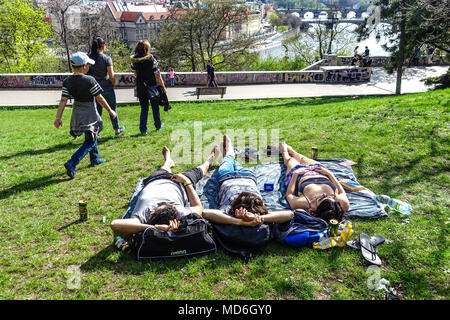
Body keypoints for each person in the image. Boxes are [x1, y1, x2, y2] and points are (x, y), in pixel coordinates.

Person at [110, 145, 220, 236]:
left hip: (156, 179)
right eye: (170, 204)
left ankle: (168, 160)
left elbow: (115, 224)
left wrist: (154, 228)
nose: (168, 203)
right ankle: (209, 160)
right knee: (200, 171)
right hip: (180, 183)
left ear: (152, 212)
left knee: (165, 167)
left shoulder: (144, 213)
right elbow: (198, 208)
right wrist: (186, 182)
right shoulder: (179, 212)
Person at [202, 135, 294, 226]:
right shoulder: (257, 209)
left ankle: (229, 152)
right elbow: (290, 214)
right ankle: (229, 152)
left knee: (228, 160)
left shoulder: (231, 209)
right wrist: (256, 218)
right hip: (241, 176)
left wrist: (238, 221)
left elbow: (205, 212)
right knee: (228, 160)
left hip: (232, 176)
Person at [54, 52, 117, 179]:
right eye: (88, 64)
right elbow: (99, 98)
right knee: (90, 140)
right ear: (83, 66)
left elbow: (63, 100)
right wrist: (110, 110)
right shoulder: (89, 80)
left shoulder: (67, 82)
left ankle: (95, 159)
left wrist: (58, 117)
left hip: (77, 111)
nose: (89, 66)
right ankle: (72, 162)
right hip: (89, 111)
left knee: (92, 135)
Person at [280, 141, 349, 223]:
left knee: (290, 160)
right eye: (329, 197)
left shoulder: (304, 203)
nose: (324, 194)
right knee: (300, 157)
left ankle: (284, 151)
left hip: (300, 175)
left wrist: (295, 174)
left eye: (321, 198)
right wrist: (330, 174)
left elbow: (289, 195)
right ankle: (292, 151)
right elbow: (342, 192)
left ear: (316, 209)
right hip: (320, 171)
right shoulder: (342, 204)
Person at [88, 37, 125, 136]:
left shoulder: (88, 58)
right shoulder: (106, 59)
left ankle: (95, 133)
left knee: (97, 112)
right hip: (107, 87)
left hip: (94, 89)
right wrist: (113, 84)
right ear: (103, 46)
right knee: (112, 109)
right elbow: (111, 75)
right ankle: (117, 129)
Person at [131, 40, 168, 135]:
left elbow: (135, 73)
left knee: (144, 109)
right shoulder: (151, 59)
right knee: (155, 108)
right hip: (152, 86)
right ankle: (158, 125)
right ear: (147, 48)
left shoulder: (134, 60)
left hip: (141, 87)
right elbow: (157, 75)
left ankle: (143, 130)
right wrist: (163, 86)